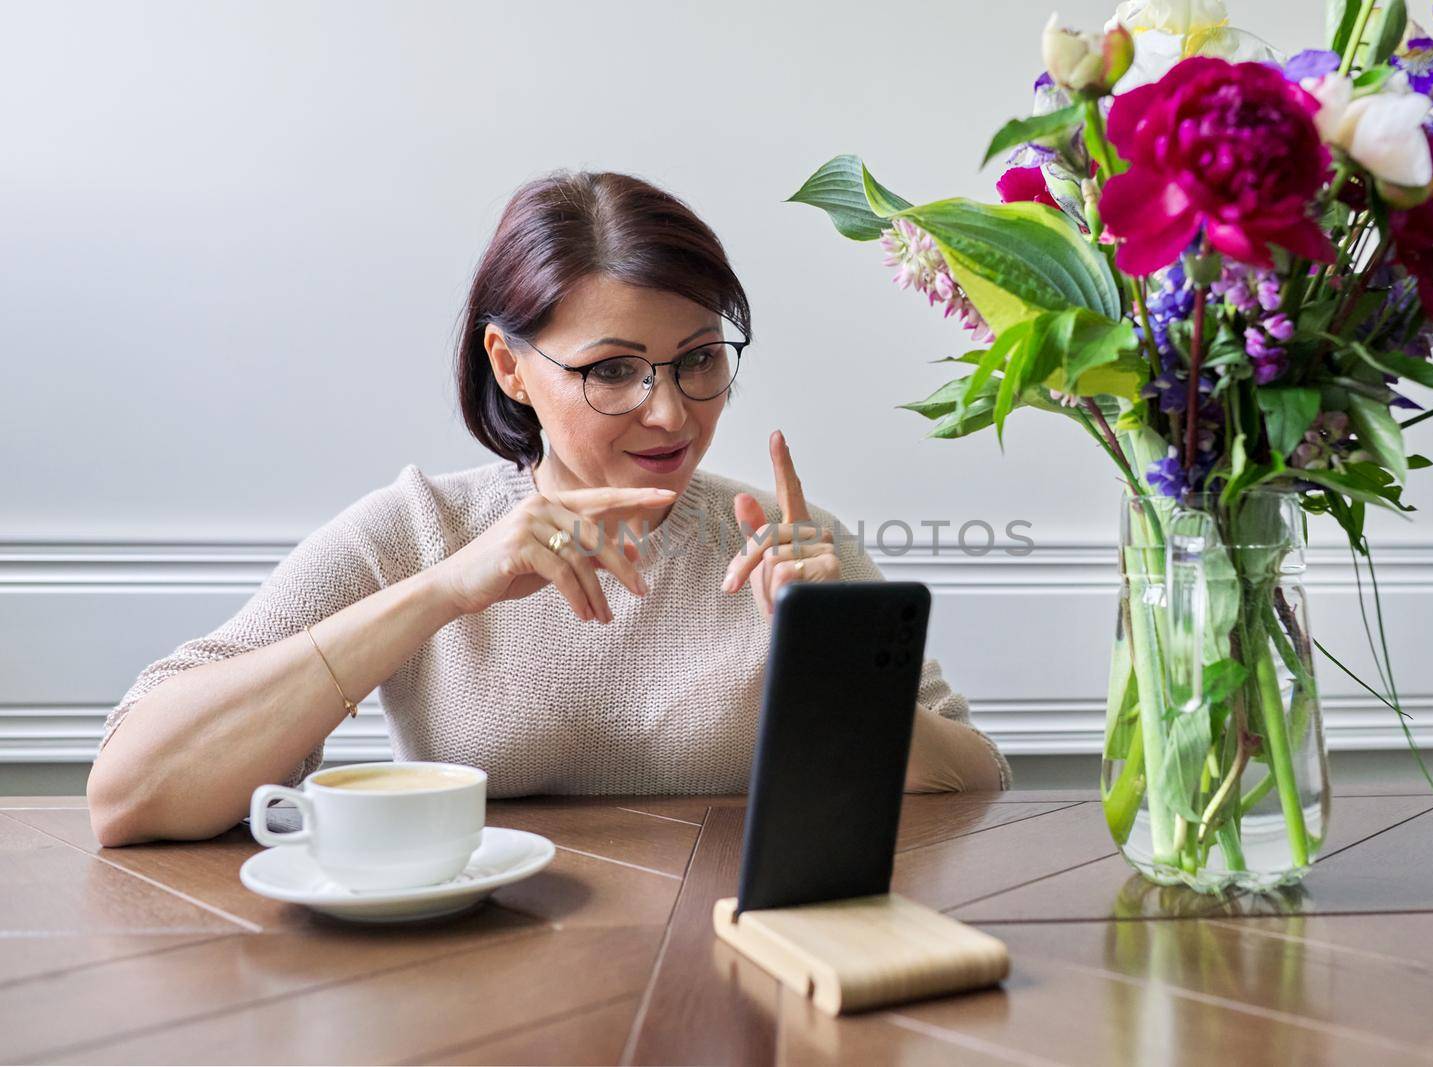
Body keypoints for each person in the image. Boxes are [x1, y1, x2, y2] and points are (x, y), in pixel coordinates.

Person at [87, 171, 1012, 846]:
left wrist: (837, 665)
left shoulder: (779, 541)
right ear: (509, 366)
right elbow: (128, 794)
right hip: (461, 975)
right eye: (612, 370)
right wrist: (444, 590)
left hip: (723, 967)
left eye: (698, 358)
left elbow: (975, 778)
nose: (672, 410)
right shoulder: (417, 532)